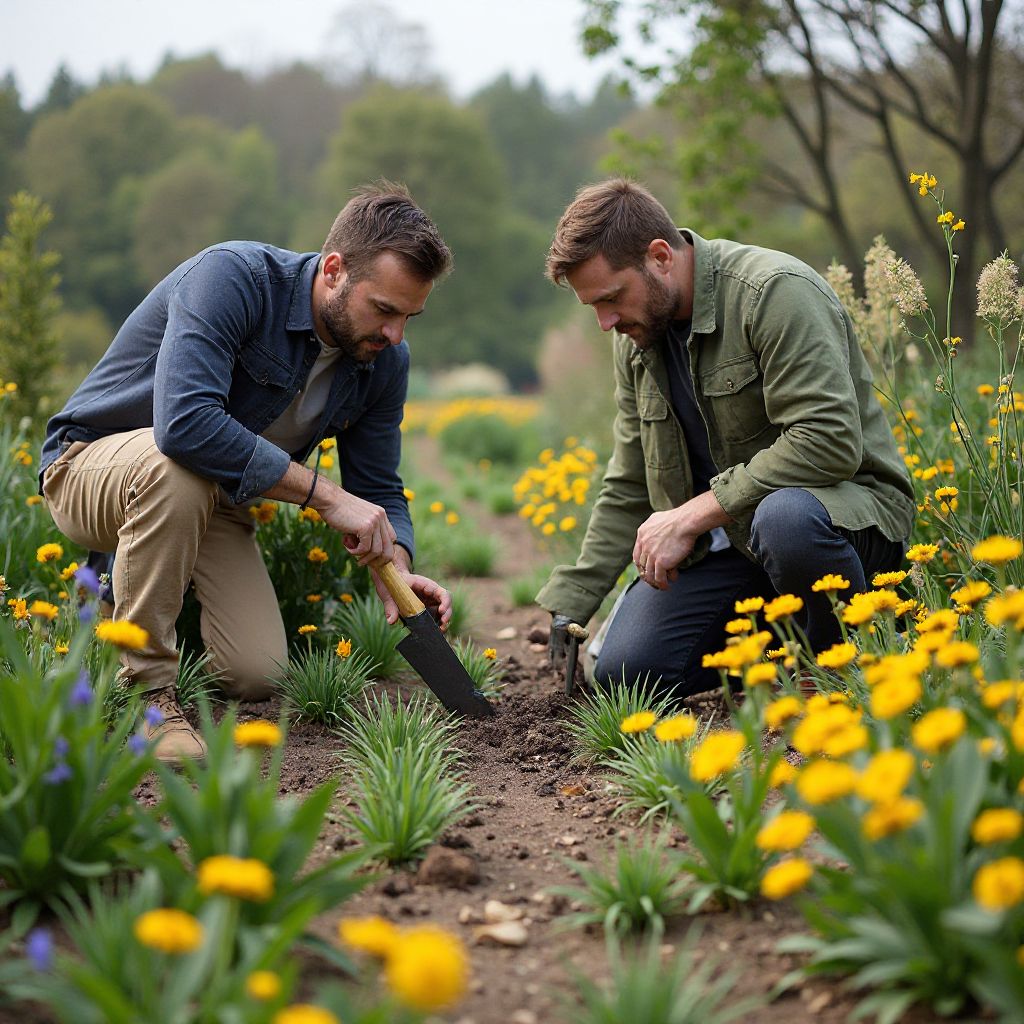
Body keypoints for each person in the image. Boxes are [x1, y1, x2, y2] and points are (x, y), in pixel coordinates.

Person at [40, 182, 454, 761]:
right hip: (91, 468)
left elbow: (378, 486)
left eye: (409, 317)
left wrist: (398, 573)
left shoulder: (383, 361)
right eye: (384, 310)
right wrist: (324, 495)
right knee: (175, 469)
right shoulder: (233, 278)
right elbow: (183, 425)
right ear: (334, 270)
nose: (395, 334)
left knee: (257, 673)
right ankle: (144, 697)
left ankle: (124, 615)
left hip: (213, 501)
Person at [539, 178, 914, 698]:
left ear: (660, 257)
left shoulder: (774, 293)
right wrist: (572, 602)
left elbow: (826, 440)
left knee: (785, 520)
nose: (605, 323)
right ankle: (783, 648)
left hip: (840, 525)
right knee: (626, 673)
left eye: (611, 298)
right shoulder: (637, 337)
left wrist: (691, 516)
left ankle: (840, 666)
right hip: (733, 548)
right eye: (593, 308)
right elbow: (629, 480)